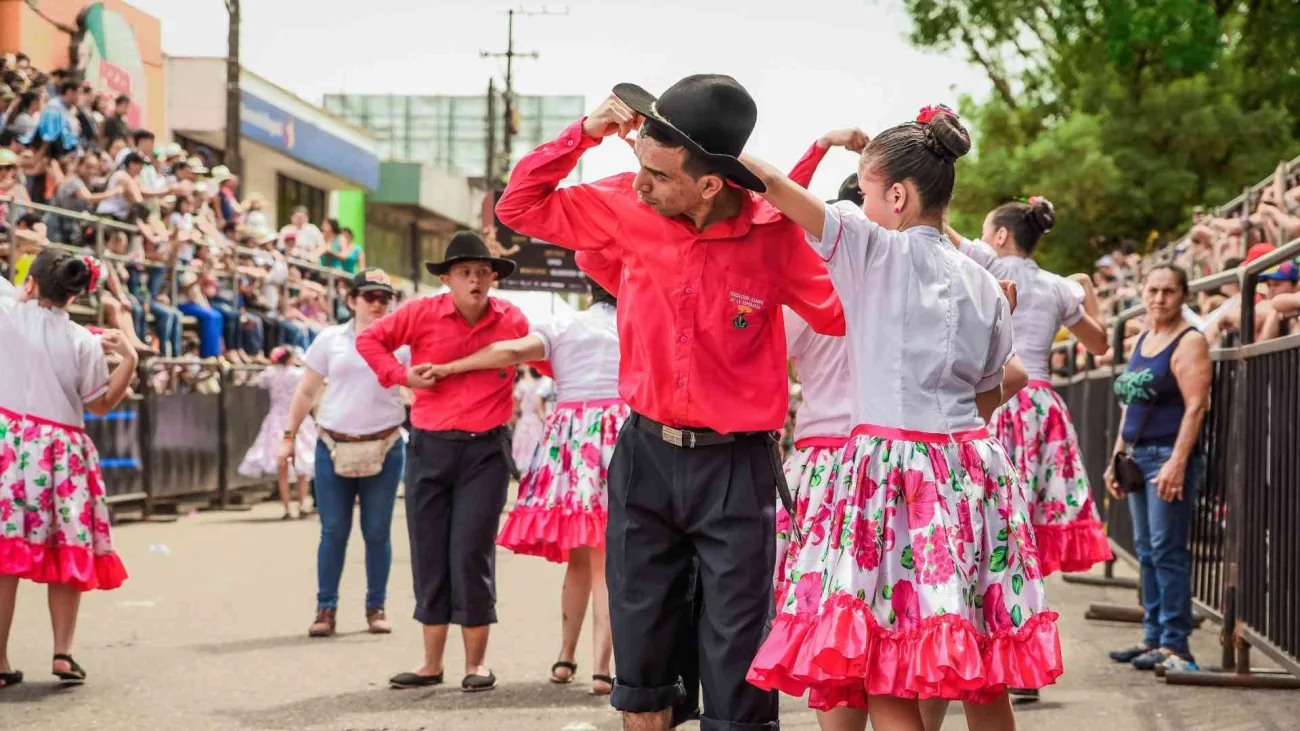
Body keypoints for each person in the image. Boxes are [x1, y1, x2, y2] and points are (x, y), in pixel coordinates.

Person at [498, 75, 846, 731]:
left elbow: (843, 313)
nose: (639, 184)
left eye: (657, 173)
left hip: (736, 469)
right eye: (637, 165)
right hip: (645, 458)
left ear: (711, 182)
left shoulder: (775, 235)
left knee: (739, 653)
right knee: (642, 654)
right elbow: (519, 209)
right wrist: (582, 135)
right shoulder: (625, 206)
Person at [739, 105, 1057, 731]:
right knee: (980, 652)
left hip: (890, 469)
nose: (860, 203)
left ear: (898, 195)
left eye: (866, 188)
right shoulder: (986, 284)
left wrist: (700, 135)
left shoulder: (871, 249)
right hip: (972, 468)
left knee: (882, 655)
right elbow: (995, 387)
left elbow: (774, 187)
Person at [428, 277, 624, 696]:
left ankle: (565, 657)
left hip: (570, 439)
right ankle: (602, 669)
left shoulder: (566, 325)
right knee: (608, 561)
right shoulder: (634, 324)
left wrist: (451, 367)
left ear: (590, 289)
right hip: (618, 438)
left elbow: (510, 350)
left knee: (577, 561)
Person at [356, 231, 528, 694]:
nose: (474, 280)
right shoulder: (420, 313)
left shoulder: (512, 319)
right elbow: (370, 342)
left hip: (486, 451)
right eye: (464, 273)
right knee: (429, 552)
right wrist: (401, 375)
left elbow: (548, 355)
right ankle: (431, 664)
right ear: (447, 278)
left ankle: (477, 665)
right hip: (430, 446)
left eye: (481, 272)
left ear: (493, 277)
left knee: (471, 552)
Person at [946, 198, 1113, 583]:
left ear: (1000, 236)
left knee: (987, 511)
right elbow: (1101, 344)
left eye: (986, 232)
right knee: (1033, 513)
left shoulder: (989, 263)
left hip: (999, 397)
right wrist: (1087, 287)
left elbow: (937, 225)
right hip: (1043, 405)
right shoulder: (1058, 287)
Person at [0, 250, 135, 689]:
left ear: (33, 282)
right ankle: (63, 653)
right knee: (65, 549)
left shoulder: (9, 312)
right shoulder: (84, 341)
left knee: (4, 556)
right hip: (62, 451)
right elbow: (98, 404)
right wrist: (129, 361)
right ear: (76, 294)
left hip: (12, 443)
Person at [279, 268, 408, 638]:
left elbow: (419, 387)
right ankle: (326, 609)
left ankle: (376, 606)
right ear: (352, 301)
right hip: (333, 444)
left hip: (385, 444)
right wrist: (288, 437)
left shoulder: (402, 343)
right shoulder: (330, 339)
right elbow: (305, 391)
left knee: (377, 531)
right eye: (370, 296)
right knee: (333, 531)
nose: (378, 304)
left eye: (385, 297)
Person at [1106, 265, 1211, 674]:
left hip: (1167, 456)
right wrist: (1116, 458)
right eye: (1152, 290)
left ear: (1183, 295)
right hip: (1136, 456)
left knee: (1168, 551)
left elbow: (1196, 406)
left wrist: (1177, 462)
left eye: (1168, 291)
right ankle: (1152, 636)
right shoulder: (1145, 339)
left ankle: (1176, 645)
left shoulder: (1190, 341)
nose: (1159, 298)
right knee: (1147, 551)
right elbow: (1129, 405)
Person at [238, 346, 317, 520]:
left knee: (282, 465)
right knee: (302, 464)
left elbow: (253, 381)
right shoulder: (297, 373)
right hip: (296, 421)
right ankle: (302, 504)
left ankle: (287, 507)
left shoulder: (270, 373)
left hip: (276, 422)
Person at [510, 367, 551, 470]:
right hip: (537, 419)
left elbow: (516, 403)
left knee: (522, 443)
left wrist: (515, 414)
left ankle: (518, 467)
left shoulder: (522, 385)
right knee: (535, 442)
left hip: (525, 418)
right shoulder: (543, 383)